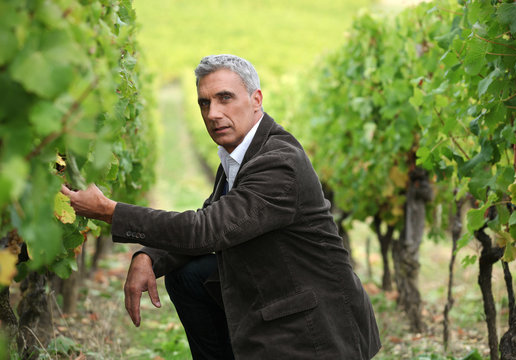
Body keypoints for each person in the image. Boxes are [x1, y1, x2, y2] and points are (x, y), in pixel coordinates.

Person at [61, 54, 381, 359]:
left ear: (256, 100)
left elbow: (208, 230)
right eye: (205, 102)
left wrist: (109, 211)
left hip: (317, 332)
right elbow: (210, 218)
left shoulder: (279, 163)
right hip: (281, 295)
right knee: (188, 274)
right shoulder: (239, 154)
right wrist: (150, 255)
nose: (213, 113)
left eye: (225, 98)